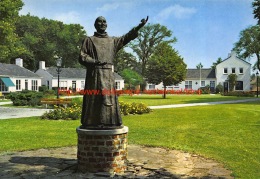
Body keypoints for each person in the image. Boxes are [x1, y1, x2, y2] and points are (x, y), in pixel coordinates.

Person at [79, 16, 148, 129]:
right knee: (95, 99)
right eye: (99, 22)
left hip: (109, 76)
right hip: (94, 75)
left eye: (104, 21)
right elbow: (82, 56)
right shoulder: (89, 40)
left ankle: (110, 122)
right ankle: (92, 122)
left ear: (107, 24)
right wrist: (94, 61)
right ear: (95, 25)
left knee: (109, 101)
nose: (102, 24)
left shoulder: (113, 41)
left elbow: (126, 37)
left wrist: (139, 27)